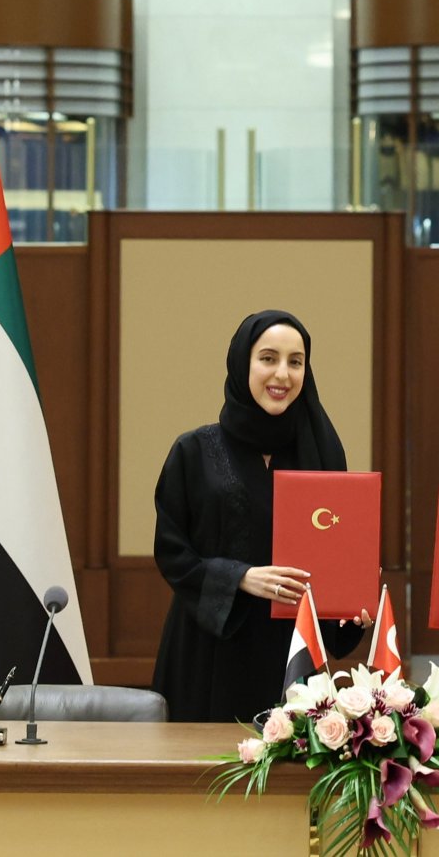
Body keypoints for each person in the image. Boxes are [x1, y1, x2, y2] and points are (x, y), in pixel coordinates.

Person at [152, 309, 370, 723]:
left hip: (289, 653)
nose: (282, 374)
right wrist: (240, 577)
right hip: (207, 650)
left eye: (295, 361)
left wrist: (351, 606)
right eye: (268, 358)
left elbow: (333, 555)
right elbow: (172, 554)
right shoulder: (194, 451)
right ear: (241, 363)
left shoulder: (322, 454)